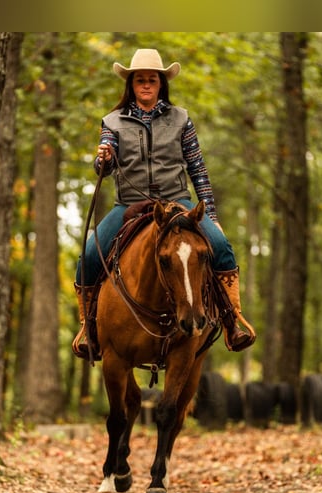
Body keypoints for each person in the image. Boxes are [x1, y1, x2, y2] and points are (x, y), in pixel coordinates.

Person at [72, 48, 255, 360]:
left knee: (221, 245)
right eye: (140, 79)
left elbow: (197, 168)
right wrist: (102, 158)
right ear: (131, 84)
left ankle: (230, 321)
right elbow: (105, 163)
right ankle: (89, 328)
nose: (146, 84)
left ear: (161, 84)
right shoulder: (113, 121)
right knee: (90, 254)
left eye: (151, 80)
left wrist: (209, 212)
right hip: (129, 204)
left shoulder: (181, 119)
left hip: (178, 201)